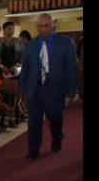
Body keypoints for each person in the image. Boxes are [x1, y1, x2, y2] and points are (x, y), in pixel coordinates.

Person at [19, 13, 77, 160]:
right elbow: (25, 70)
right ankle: (33, 149)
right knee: (34, 121)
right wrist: (22, 92)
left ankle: (57, 137)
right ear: (36, 27)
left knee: (55, 118)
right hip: (35, 90)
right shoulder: (30, 45)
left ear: (52, 26)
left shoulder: (65, 43)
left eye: (46, 25)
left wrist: (70, 91)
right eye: (40, 26)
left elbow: (70, 68)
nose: (43, 29)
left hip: (55, 89)